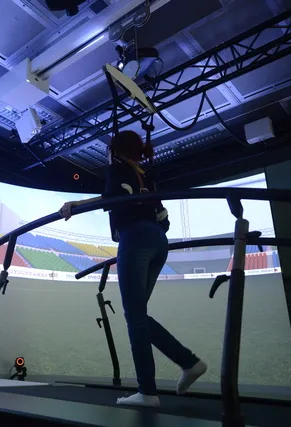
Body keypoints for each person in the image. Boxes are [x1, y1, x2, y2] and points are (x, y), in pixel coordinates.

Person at [59, 130, 207, 408]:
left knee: (135, 317)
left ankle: (148, 391)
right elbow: (163, 219)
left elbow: (111, 197)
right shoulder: (147, 175)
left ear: (115, 150)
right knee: (138, 315)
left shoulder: (116, 168)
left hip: (135, 238)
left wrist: (77, 204)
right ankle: (188, 362)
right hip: (158, 241)